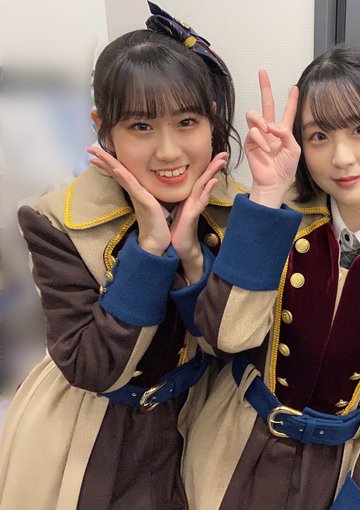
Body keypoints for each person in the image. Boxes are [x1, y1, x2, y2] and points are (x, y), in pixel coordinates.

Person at [182, 46, 360, 510]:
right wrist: (266, 196)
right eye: (319, 136)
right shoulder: (273, 216)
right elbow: (226, 337)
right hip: (234, 448)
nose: (342, 157)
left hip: (339, 468)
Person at [0, 3, 240, 508]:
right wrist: (150, 248)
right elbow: (91, 366)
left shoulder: (233, 209)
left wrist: (192, 254)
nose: (169, 152)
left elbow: (235, 342)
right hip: (91, 428)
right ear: (102, 127)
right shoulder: (54, 219)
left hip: (197, 421)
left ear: (211, 122)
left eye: (186, 121)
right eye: (141, 127)